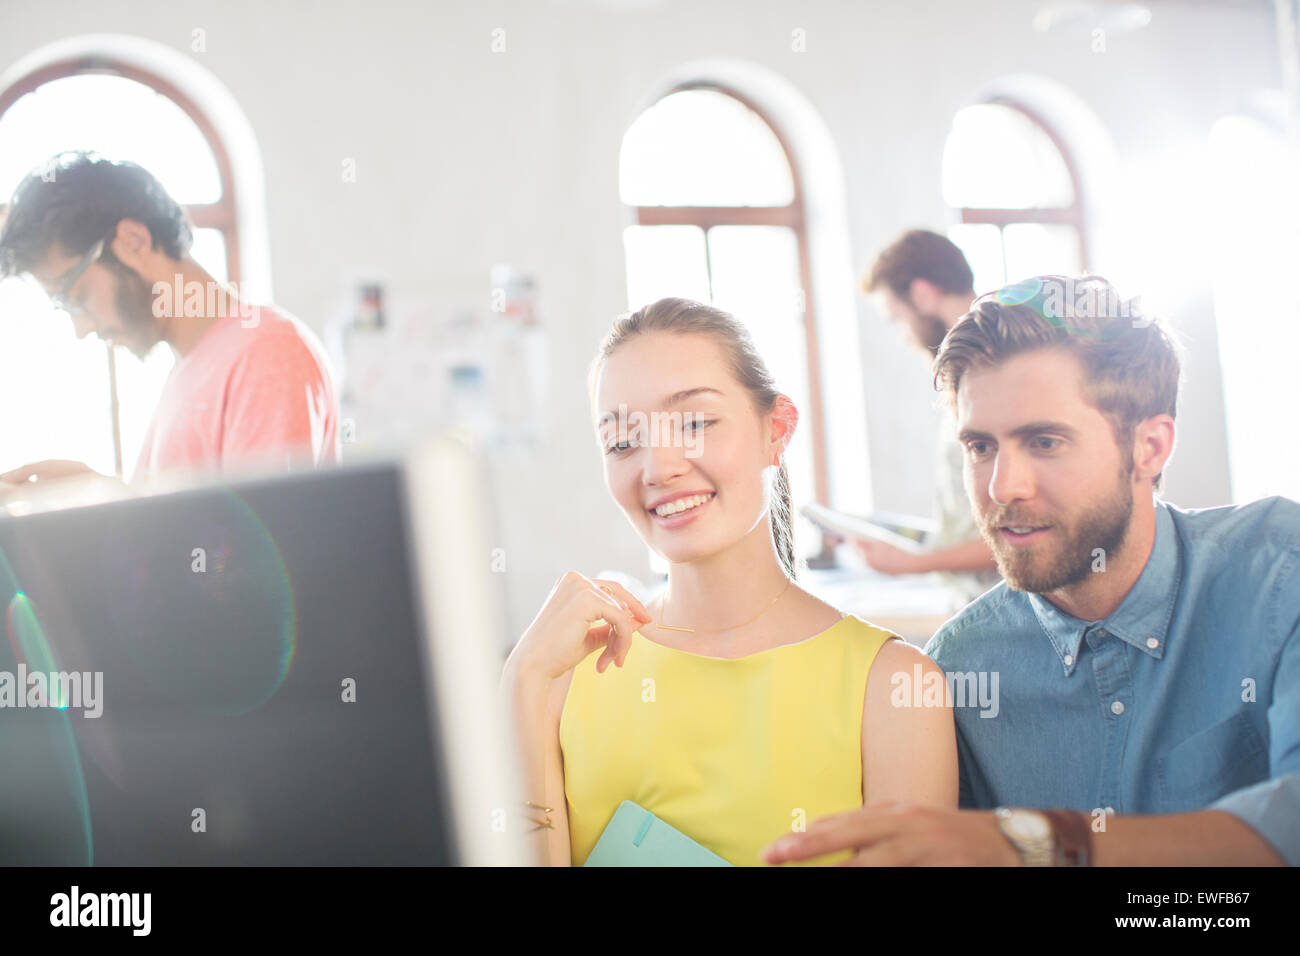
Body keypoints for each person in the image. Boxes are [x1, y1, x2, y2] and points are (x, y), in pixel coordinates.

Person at [763, 275, 1297, 866]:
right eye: (980, 447)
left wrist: (1035, 843)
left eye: (1044, 441)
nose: (1002, 488)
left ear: (1150, 447)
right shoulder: (958, 669)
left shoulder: (1277, 572)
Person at [500, 297, 956, 866]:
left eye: (694, 423)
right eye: (621, 443)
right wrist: (520, 679)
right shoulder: (562, 676)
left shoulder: (894, 687)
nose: (658, 468)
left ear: (777, 429)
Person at [0, 151, 340, 489]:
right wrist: (104, 500)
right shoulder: (189, 368)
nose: (81, 329)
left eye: (77, 299)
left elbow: (263, 537)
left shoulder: (267, 353)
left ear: (133, 243)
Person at [859, 229, 998, 601]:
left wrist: (913, 563)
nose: (904, 336)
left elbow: (1019, 528)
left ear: (922, 294)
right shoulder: (967, 371)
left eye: (896, 318)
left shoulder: (993, 374)